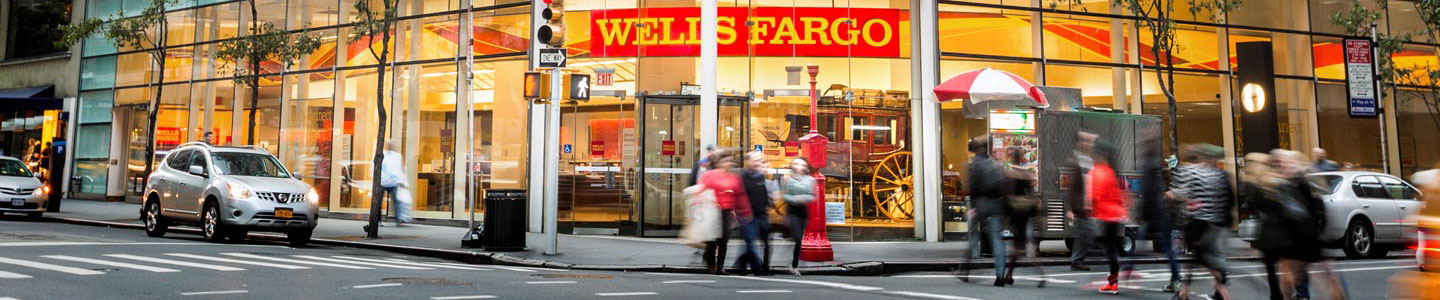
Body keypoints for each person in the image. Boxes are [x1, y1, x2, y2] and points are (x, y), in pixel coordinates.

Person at [1272, 149, 1344, 300]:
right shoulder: (1296, 182)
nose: (1285, 165)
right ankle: (1303, 294)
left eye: (1287, 162)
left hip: (1301, 233)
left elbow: (1311, 207)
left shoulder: (1296, 183)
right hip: (1304, 233)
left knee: (1293, 270)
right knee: (1304, 271)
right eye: (1283, 162)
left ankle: (1298, 295)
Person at [1169, 144, 1232, 300]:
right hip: (1215, 224)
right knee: (1203, 259)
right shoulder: (1217, 173)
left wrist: (1167, 196)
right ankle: (1186, 292)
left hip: (1197, 224)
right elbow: (1227, 199)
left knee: (1200, 258)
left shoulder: (1188, 172)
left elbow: (1178, 193)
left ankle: (1188, 293)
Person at [1137, 128, 1182, 292]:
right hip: (1161, 212)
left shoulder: (1148, 165)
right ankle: (1176, 279)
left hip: (1155, 213)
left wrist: (1144, 214)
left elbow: (1149, 192)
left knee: (1156, 246)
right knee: (1165, 247)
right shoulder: (1155, 164)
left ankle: (1126, 271)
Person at [1240, 152, 1289, 300]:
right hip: (1281, 232)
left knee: (1272, 269)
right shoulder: (1279, 182)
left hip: (1271, 233)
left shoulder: (1260, 186)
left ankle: (1278, 295)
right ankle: (1285, 294)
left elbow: (1252, 206)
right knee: (1283, 268)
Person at [963, 136, 1009, 286]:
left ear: (976, 149)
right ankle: (1000, 275)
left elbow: (973, 187)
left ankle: (964, 269)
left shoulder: (976, 164)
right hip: (997, 205)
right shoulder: (993, 163)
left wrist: (974, 207)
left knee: (973, 234)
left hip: (982, 204)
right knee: (997, 240)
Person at [1088, 142, 1130, 295]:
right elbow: (1119, 195)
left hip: (1106, 215)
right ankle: (1113, 281)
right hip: (1114, 215)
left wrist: (1091, 210)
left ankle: (1113, 283)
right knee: (1111, 248)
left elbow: (1095, 195)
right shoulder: (1111, 171)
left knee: (1109, 250)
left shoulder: (1100, 172)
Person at [999, 146, 1044, 287]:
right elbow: (1031, 194)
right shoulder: (1027, 173)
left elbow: (1006, 196)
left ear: (1012, 157)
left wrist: (1005, 214)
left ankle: (1040, 275)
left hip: (1015, 212)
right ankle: (1010, 275)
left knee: (1019, 246)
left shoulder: (1009, 174)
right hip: (1025, 212)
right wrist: (1035, 211)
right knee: (1021, 244)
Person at [699, 150, 748, 275]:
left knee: (724, 239)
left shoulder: (735, 178)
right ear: (719, 162)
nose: (728, 163)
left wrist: (745, 210)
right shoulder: (709, 175)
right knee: (712, 240)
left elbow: (740, 195)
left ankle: (720, 267)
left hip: (726, 211)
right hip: (712, 210)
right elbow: (701, 190)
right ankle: (710, 262)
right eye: (725, 161)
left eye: (730, 161)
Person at [736, 151, 773, 276]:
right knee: (751, 243)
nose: (758, 163)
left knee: (765, 242)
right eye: (755, 160)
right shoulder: (742, 177)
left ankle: (742, 263)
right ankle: (757, 269)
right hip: (747, 215)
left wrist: (768, 206)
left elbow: (764, 193)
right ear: (748, 162)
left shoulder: (760, 176)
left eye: (759, 160)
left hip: (761, 214)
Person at [1065, 131, 1098, 271]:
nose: (1088, 144)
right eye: (1084, 141)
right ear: (1079, 143)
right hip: (1081, 205)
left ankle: (1077, 260)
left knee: (1085, 233)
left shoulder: (1090, 160)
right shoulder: (1075, 161)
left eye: (1089, 141)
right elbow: (1071, 186)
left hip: (1089, 204)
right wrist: (1069, 208)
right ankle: (1077, 260)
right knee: (1088, 231)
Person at [780, 157, 816, 276]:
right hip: (791, 211)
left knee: (798, 240)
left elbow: (812, 196)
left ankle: (794, 265)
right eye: (796, 164)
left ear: (806, 168)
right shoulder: (787, 179)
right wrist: (795, 199)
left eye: (802, 165)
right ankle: (792, 262)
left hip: (803, 212)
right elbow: (784, 196)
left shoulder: (811, 180)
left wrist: (803, 198)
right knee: (796, 237)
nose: (799, 166)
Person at [380, 140, 411, 226]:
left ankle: (399, 220)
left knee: (397, 201)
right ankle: (378, 220)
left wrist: (402, 181)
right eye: (389, 145)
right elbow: (375, 168)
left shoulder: (397, 156)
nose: (391, 146)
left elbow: (401, 169)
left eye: (392, 145)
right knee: (379, 202)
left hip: (394, 182)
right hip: (382, 182)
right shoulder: (381, 155)